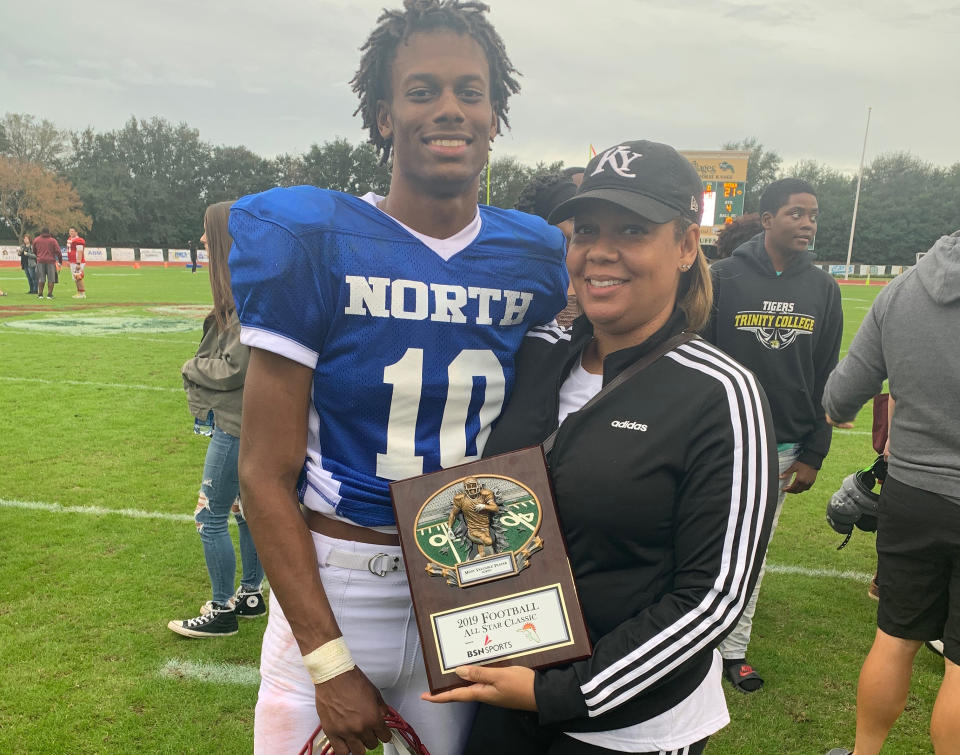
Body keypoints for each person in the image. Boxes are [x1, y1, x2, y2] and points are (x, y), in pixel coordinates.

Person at [228, 2, 569, 753]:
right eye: (422, 91)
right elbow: (260, 471)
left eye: (469, 91)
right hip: (338, 574)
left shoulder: (535, 255)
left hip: (471, 576)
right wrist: (327, 658)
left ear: (494, 114)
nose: (449, 109)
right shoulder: (315, 240)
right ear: (383, 115)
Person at [426, 140, 778, 754]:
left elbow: (714, 599)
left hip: (625, 728)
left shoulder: (722, 393)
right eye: (585, 230)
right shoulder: (538, 359)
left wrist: (558, 694)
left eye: (633, 230)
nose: (600, 252)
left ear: (687, 246)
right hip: (503, 696)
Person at [823, 230, 960, 755]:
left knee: (895, 637)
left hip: (913, 493)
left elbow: (840, 398)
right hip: (919, 486)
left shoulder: (903, 291)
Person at [705, 178, 843, 692]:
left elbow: (828, 374)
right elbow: (696, 360)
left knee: (752, 552)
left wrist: (814, 451)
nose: (808, 223)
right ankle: (688, 642)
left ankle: (733, 652)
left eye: (813, 215)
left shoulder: (823, 288)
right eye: (796, 213)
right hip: (718, 439)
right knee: (700, 541)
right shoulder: (720, 276)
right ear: (767, 219)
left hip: (783, 446)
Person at [167, 202, 265, 639]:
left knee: (210, 516)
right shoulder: (244, 288)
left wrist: (191, 367)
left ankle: (222, 609)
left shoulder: (245, 294)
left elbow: (232, 369)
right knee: (245, 512)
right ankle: (250, 593)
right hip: (248, 420)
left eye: (208, 233)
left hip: (237, 423)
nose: (202, 241)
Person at [515, 172, 580, 326]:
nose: (580, 229)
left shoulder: (594, 273)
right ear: (542, 225)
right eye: (572, 220)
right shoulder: (517, 281)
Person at [32, 227, 61, 300]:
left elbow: (34, 250)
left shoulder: (36, 239)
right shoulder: (53, 241)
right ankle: (49, 294)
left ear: (41, 232)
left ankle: (40, 294)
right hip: (51, 261)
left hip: (40, 261)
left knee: (41, 278)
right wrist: (60, 261)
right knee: (51, 279)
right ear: (49, 232)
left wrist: (38, 256)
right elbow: (58, 251)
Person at [66, 227, 87, 299]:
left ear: (76, 232)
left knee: (78, 277)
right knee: (75, 277)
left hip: (77, 262)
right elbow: (70, 251)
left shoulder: (79, 240)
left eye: (72, 231)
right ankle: (79, 292)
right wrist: (69, 261)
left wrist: (78, 263)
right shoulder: (70, 239)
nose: (71, 233)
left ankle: (82, 293)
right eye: (70, 231)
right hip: (72, 261)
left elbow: (80, 252)